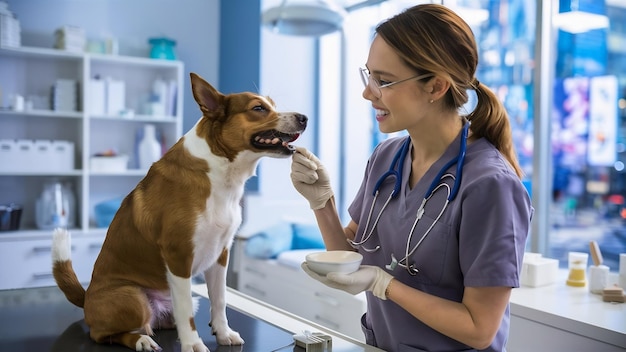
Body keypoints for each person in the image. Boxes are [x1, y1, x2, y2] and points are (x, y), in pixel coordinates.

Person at [290, 4, 533, 352]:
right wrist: (321, 204)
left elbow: (480, 329)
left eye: (384, 81)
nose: (367, 92)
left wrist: (383, 284)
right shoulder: (386, 158)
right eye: (369, 76)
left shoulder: (490, 185)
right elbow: (349, 259)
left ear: (436, 86)